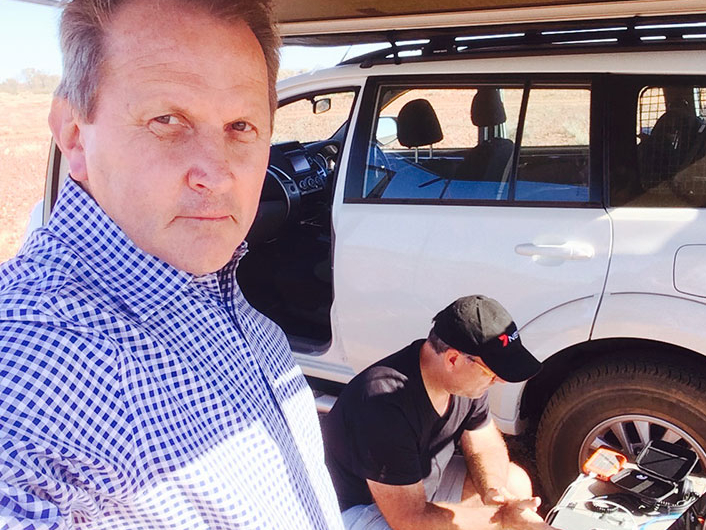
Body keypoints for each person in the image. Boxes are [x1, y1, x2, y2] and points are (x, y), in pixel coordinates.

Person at [0, 0, 344, 529]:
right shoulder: (39, 350)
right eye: (167, 119)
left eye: (241, 126)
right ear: (73, 133)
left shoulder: (227, 301)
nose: (218, 174)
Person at [322, 294, 555, 530]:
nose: (500, 380)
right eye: (493, 372)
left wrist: (494, 492)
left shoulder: (466, 382)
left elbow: (485, 444)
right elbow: (409, 520)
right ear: (453, 359)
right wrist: (502, 519)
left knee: (513, 483)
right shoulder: (382, 404)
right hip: (362, 510)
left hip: (417, 489)